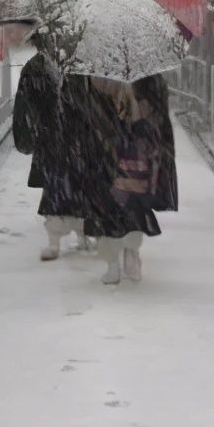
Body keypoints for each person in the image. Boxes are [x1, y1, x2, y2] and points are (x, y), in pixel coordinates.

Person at [79, 74, 177, 284]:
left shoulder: (97, 77)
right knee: (133, 209)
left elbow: (89, 118)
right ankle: (130, 253)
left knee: (109, 213)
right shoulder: (151, 79)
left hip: (107, 160)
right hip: (136, 161)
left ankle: (113, 263)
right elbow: (160, 121)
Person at [12, 46, 91, 260]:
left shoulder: (38, 66)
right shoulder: (81, 64)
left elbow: (23, 106)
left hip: (54, 141)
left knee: (56, 192)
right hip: (70, 142)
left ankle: (58, 241)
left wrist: (27, 135)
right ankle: (77, 236)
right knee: (73, 191)